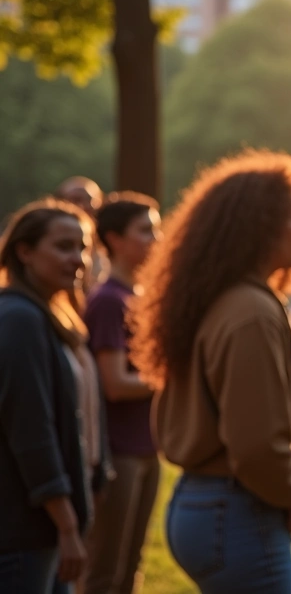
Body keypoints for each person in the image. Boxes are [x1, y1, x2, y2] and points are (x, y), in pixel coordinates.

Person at [128, 150, 291, 594]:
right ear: (257, 227)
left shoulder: (224, 299)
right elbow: (256, 446)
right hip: (237, 510)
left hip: (209, 504)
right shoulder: (249, 310)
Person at [0, 200, 95, 593]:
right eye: (63, 246)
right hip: (23, 529)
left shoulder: (41, 314)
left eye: (82, 247)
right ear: (24, 252)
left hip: (38, 528)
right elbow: (32, 431)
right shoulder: (19, 318)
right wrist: (67, 524)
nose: (77, 259)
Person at [82, 193, 162, 594]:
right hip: (120, 453)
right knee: (105, 571)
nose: (156, 239)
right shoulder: (109, 302)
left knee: (131, 565)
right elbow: (113, 383)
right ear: (114, 239)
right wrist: (167, 377)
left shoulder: (141, 297)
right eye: (145, 230)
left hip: (147, 447)